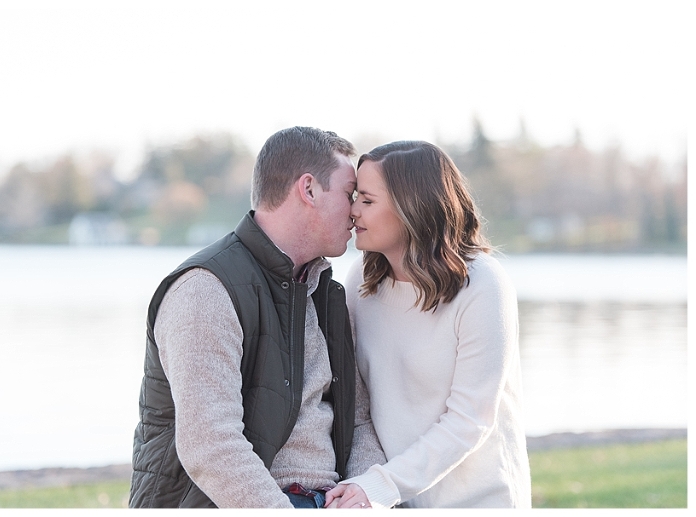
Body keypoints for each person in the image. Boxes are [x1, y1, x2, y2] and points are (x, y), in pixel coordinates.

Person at [128, 126, 385, 508]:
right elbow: (211, 446)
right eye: (350, 195)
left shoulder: (329, 296)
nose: (355, 212)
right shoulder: (206, 289)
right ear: (309, 189)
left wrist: (367, 494)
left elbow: (360, 422)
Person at [325, 141, 531, 509]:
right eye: (355, 196)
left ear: (413, 209)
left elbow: (470, 420)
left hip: (476, 502)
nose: (352, 210)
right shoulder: (362, 280)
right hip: (393, 500)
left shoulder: (482, 285)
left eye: (367, 201)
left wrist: (381, 485)